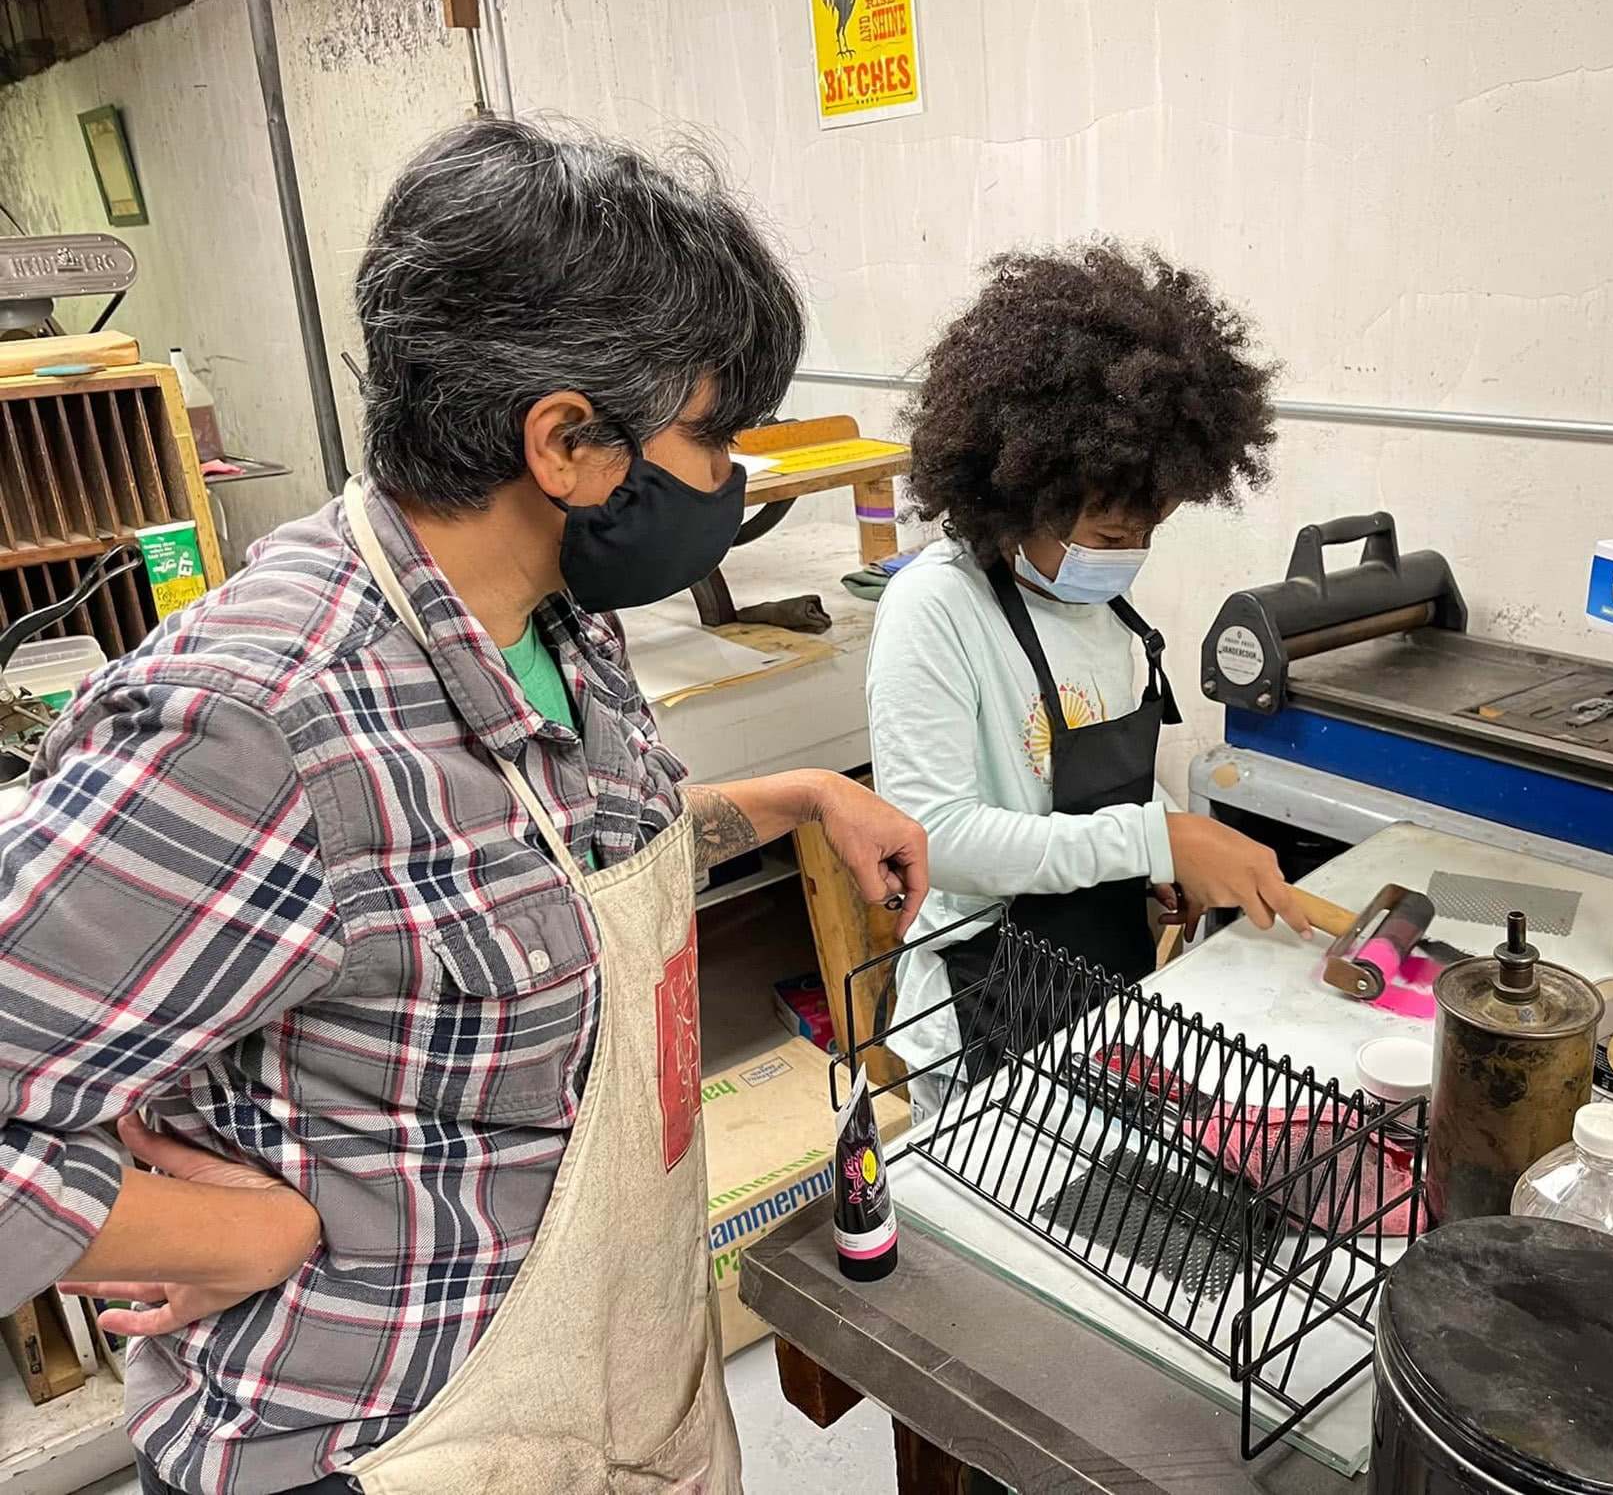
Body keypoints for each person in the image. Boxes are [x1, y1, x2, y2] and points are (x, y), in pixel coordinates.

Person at [0, 117, 926, 1495]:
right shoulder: (264, 726)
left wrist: (794, 800)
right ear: (564, 442)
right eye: (710, 436)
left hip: (614, 1392)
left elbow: (534, 866)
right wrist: (236, 1246)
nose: (725, 480)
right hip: (392, 1441)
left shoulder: (555, 620)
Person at [865, 243, 1308, 1111]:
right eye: (1107, 539)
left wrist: (1162, 856)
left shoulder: (1110, 617)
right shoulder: (938, 610)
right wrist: (1153, 841)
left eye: (1150, 533)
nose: (1130, 558)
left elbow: (1084, 810)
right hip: (978, 1008)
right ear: (1016, 490)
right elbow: (935, 840)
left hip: (1100, 992)